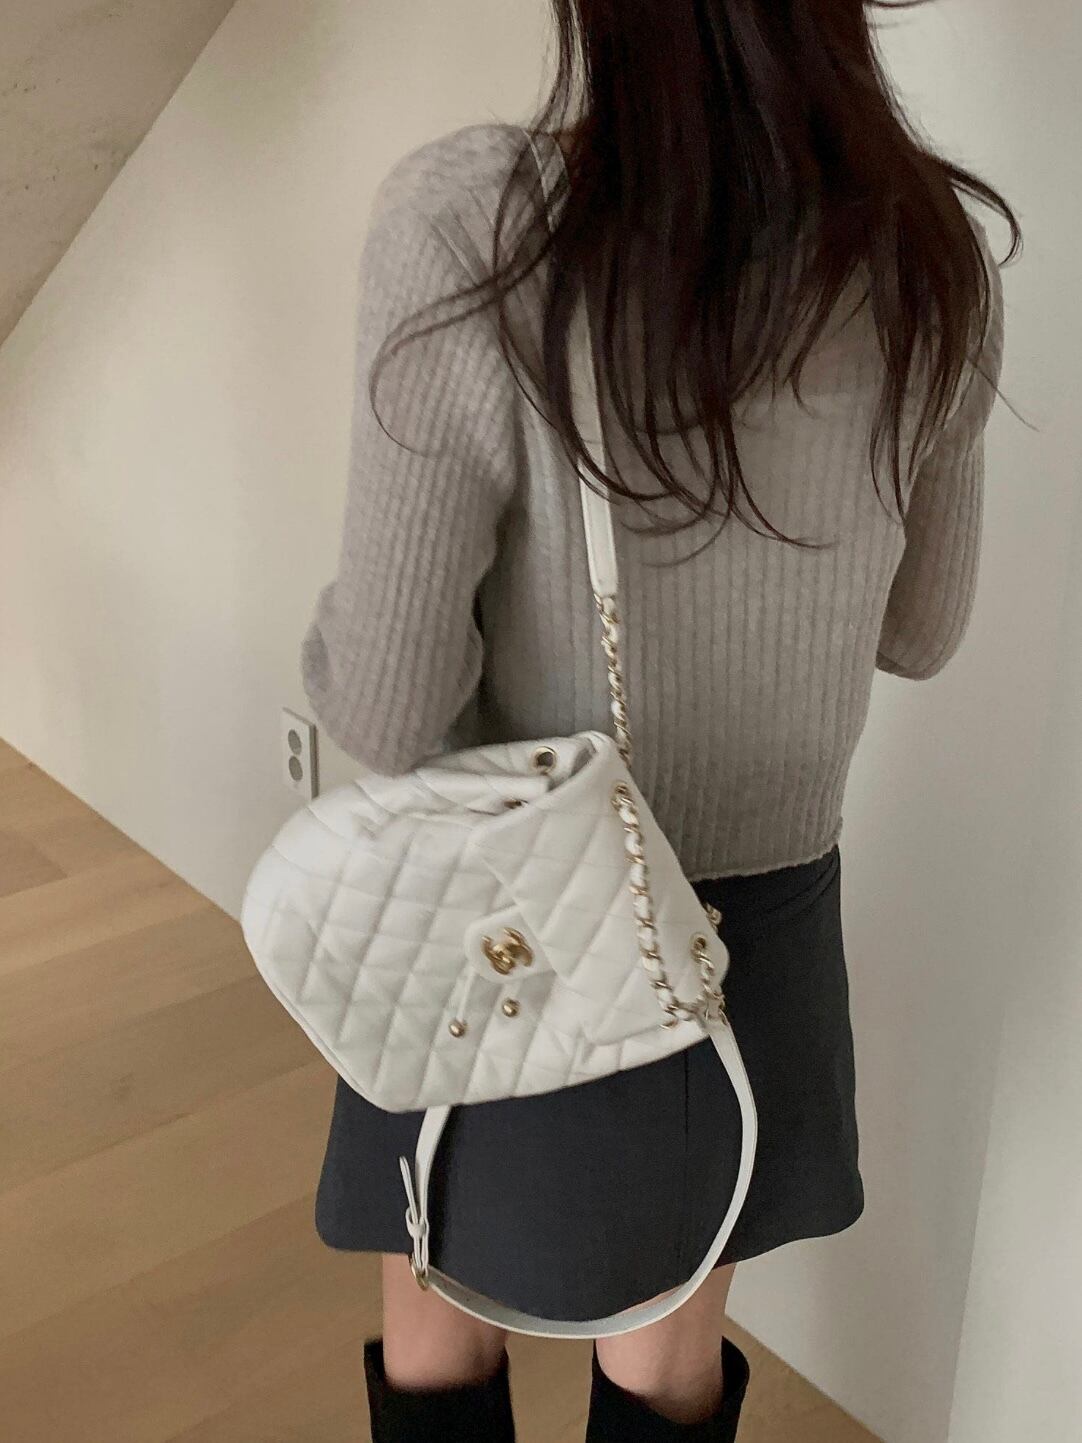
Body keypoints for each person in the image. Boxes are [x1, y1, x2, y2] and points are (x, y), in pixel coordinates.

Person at [299, 3, 1017, 1438]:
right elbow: (920, 632)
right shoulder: (926, 247)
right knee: (668, 1356)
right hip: (762, 926)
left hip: (507, 910)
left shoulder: (478, 224)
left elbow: (389, 698)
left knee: (439, 1304)